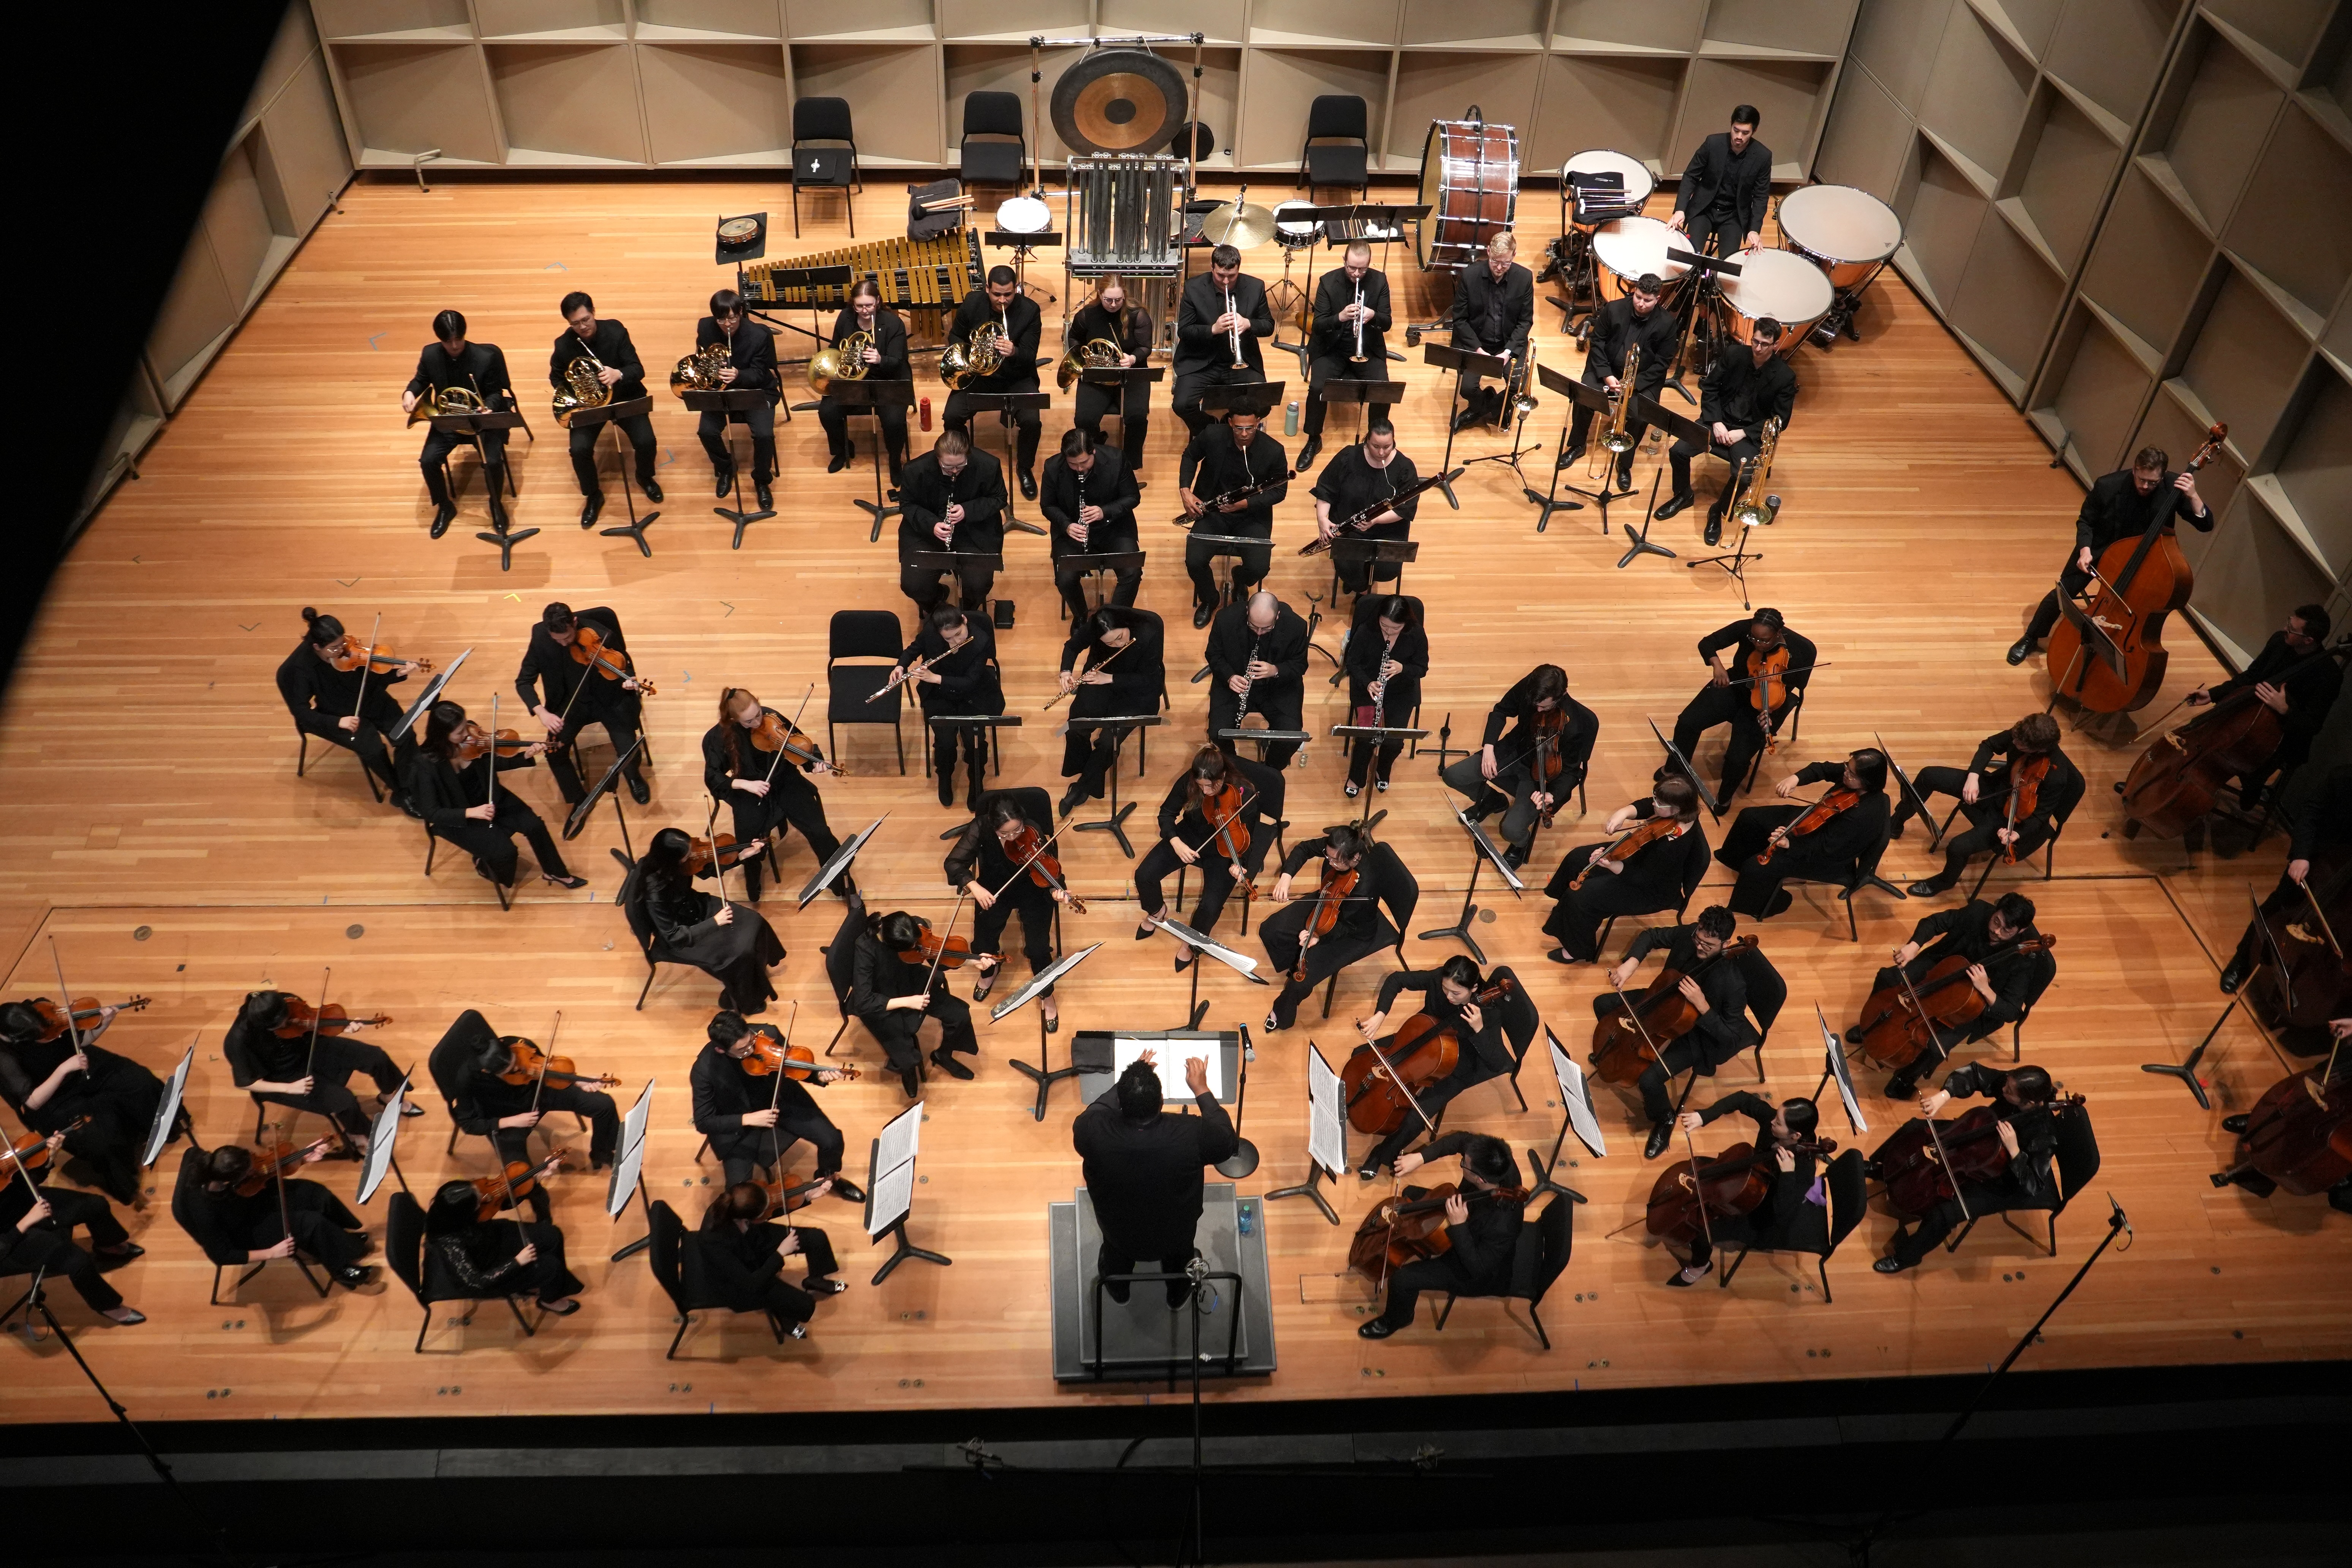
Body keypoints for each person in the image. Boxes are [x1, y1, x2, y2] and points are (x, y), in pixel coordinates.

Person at [2007, 445, 2214, 665]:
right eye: (2142, 479)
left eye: (2152, 482)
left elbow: (2206, 525)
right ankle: (2031, 637)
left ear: (2162, 476)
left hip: (2142, 562)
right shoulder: (2108, 485)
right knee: (2063, 592)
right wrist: (2085, 550)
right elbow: (2086, 521)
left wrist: (2194, 497)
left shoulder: (2174, 488)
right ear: (2134, 470)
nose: (2145, 486)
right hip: (2100, 550)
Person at [1073, 1051, 1238, 1306]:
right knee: (1181, 1259)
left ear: (1121, 1104)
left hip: (1119, 1232)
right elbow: (1227, 1142)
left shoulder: (1092, 1130)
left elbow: (1094, 1111)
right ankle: (1177, 1295)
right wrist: (1202, 1088)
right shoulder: (1191, 1133)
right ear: (1161, 1101)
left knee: (1115, 1258)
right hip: (1177, 1233)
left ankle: (1119, 1292)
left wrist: (1127, 1085)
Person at [1593, 905, 1756, 1157]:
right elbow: (1651, 936)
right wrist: (1629, 965)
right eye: (1698, 940)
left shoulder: (1732, 983)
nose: (1699, 947)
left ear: (1725, 944)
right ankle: (1619, 1049)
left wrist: (1703, 1006)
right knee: (1603, 1004)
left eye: (1708, 945)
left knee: (1649, 1080)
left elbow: (1731, 1037)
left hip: (1698, 1033)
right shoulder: (1692, 935)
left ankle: (1665, 1118)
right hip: (1662, 1000)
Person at [1850, 893, 2050, 1099]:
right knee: (1888, 977)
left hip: (1974, 1005)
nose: (1996, 931)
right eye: (1996, 921)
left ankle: (1904, 1079)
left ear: (2021, 931)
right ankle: (1873, 1023)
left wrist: (1985, 989)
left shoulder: (2023, 961)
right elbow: (1935, 922)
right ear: (1995, 910)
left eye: (2006, 931)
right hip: (1940, 969)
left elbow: (2011, 1012)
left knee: (1937, 1046)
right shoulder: (1978, 911)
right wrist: (1914, 945)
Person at [1872, 1064, 2063, 1272]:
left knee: (1944, 1214)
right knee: (1915, 1129)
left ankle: (1906, 1258)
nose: (2004, 1090)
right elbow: (1975, 1073)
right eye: (2007, 1084)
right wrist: (1944, 1096)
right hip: (1976, 1137)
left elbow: (2033, 1186)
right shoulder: (2013, 1085)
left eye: (2009, 1091)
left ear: (2030, 1102)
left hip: (2001, 1178)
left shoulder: (2044, 1135)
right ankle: (1878, 1166)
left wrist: (2015, 1151)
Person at [1353, 957, 1522, 1179]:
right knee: (1361, 1053)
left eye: (1456, 994)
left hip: (1457, 1063)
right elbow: (1396, 979)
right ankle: (1358, 1096)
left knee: (1415, 1118)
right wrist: (1380, 1015)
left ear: (1474, 988)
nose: (1448, 997)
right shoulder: (1441, 978)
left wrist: (1479, 1030)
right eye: (1445, 990)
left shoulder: (1489, 1013)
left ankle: (1380, 1154)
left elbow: (1498, 1063)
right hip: (1422, 1035)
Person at [437, 1010, 622, 1208]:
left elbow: (544, 1070)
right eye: (511, 1072)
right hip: (505, 1117)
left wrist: (578, 1082)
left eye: (517, 1064)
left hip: (540, 1094)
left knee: (604, 1105)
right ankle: (542, 1215)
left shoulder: (521, 1047)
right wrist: (512, 1122)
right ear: (488, 1072)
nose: (520, 1070)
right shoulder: (467, 1080)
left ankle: (601, 1152)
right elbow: (467, 1123)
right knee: (522, 1179)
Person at [403, 701, 589, 892]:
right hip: (459, 816)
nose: (467, 734)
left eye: (466, 726)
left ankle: (556, 872)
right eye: (459, 733)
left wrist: (525, 757)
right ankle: (484, 866)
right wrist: (471, 812)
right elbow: (432, 813)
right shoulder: (424, 766)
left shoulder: (474, 737)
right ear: (442, 735)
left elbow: (494, 764)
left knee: (535, 826)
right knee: (507, 853)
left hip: (490, 797)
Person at [1356, 1131, 1526, 1338]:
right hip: (1464, 1217)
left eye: (1464, 1163)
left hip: (1475, 1265)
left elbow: (1479, 1269)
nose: (1462, 1160)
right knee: (1412, 1194)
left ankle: (1398, 1319)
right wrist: (1420, 1158)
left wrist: (1459, 1226)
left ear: (1479, 1178)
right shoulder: (1494, 1159)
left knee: (1403, 1279)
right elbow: (1459, 1139)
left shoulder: (1504, 1224)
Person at [1894, 714, 2082, 897]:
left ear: (2038, 750)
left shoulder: (2056, 776)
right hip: (1995, 788)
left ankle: (1946, 882)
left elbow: (2041, 817)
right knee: (1929, 776)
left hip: (2012, 817)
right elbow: (1989, 745)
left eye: (2019, 744)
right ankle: (1895, 824)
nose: (2013, 743)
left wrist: (2017, 834)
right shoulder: (2023, 734)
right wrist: (1974, 776)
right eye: (2014, 739)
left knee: (1957, 847)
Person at [0, 1001, 167, 1208]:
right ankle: (125, 1181)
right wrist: (63, 1070)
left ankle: (155, 1128)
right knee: (100, 1139)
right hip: (52, 1099)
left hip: (78, 1067)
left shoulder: (43, 1013)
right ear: (17, 1038)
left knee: (139, 1081)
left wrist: (105, 1023)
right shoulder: (4, 1057)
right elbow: (32, 1103)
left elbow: (82, 1041)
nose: (44, 1036)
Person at [2181, 605, 2340, 814]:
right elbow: (2250, 678)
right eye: (2288, 622)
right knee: (2202, 730)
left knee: (2250, 760)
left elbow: (2312, 725)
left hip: (2283, 735)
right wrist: (2213, 695)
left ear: (2309, 640)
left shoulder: (2329, 675)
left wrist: (2285, 709)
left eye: (2291, 629)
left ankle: (2252, 785)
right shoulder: (2279, 641)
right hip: (2249, 711)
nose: (2285, 629)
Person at [1134, 746, 1285, 965]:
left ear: (1223, 775)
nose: (1205, 791)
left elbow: (1247, 836)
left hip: (1225, 849)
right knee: (1144, 875)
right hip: (1190, 836)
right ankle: (1157, 912)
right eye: (1201, 786)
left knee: (1211, 905)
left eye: (1210, 786)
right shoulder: (1190, 782)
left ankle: (1191, 941)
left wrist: (1240, 864)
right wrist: (1176, 842)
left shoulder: (1245, 793)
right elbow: (1167, 814)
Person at [690, 1010, 863, 1201]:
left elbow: (790, 1065)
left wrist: (817, 1075)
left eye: (751, 1042)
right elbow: (704, 1121)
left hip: (783, 1101)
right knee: (739, 1197)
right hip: (742, 1127)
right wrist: (748, 1119)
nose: (751, 1051)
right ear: (721, 1050)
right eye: (742, 1051)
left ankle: (829, 1178)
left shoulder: (767, 1035)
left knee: (832, 1140)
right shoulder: (704, 1071)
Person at [1439, 664, 1598, 870]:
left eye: (1545, 707)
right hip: (1512, 752)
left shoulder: (1581, 723)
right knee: (1453, 775)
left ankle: (1521, 845)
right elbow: (1501, 710)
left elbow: (1571, 771)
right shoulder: (1531, 688)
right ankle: (1493, 801)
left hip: (1542, 778)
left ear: (1561, 695)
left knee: (1510, 831)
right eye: (1535, 705)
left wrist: (1552, 796)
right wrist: (1489, 748)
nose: (1538, 710)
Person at [225, 989, 416, 1157]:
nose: (289, 1021)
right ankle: (358, 1135)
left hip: (307, 1049)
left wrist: (343, 1027)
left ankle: (389, 1096)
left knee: (375, 1056)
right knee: (345, 1101)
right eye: (282, 1023)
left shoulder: (285, 1002)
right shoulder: (238, 1040)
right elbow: (245, 1082)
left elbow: (309, 1025)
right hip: (283, 1078)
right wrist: (290, 1088)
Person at [1542, 775, 1710, 964]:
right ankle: (1565, 912)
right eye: (1655, 797)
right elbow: (1649, 805)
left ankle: (1577, 949)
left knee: (1582, 897)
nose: (1654, 804)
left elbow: (1641, 878)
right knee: (1577, 858)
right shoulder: (1677, 810)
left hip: (1651, 889)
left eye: (1659, 802)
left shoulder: (1673, 847)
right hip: (1641, 860)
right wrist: (1622, 813)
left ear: (1678, 809)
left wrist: (1609, 864)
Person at [1662, 1092, 1824, 1288]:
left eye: (1778, 1122)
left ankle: (1700, 1266)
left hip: (1759, 1215)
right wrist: (1704, 1116)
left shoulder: (1804, 1169)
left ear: (1795, 1136)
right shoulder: (1775, 1125)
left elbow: (1784, 1214)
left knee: (1698, 1226)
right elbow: (1743, 1099)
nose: (1772, 1122)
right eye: (1775, 1117)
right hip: (1748, 1179)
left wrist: (1788, 1175)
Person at [703, 686, 847, 904]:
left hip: (784, 779)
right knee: (748, 843)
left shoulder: (772, 718)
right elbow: (713, 777)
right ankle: (753, 880)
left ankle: (841, 881)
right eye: (749, 721)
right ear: (734, 719)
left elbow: (798, 743)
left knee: (820, 832)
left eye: (758, 714)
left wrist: (815, 761)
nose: (758, 723)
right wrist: (743, 784)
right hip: (750, 789)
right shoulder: (718, 736)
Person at [1658, 317, 1796, 544]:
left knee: (1743, 476)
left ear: (1775, 345)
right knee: (1678, 451)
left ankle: (1719, 511)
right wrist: (1716, 421)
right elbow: (1710, 387)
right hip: (1719, 422)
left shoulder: (1785, 377)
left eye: (1764, 344)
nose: (1758, 348)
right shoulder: (1734, 354)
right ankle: (1683, 495)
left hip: (1747, 434)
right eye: (1755, 341)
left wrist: (1743, 433)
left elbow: (1780, 420)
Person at [623, 827, 787, 1015]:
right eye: (688, 854)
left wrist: (743, 855)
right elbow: (674, 937)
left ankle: (755, 970)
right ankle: (738, 998)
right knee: (738, 954)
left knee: (754, 921)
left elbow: (708, 866)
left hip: (696, 906)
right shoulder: (655, 891)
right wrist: (715, 922)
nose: (695, 855)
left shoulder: (680, 863)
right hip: (685, 933)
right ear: (672, 858)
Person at [947, 794, 1073, 1032]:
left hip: (1033, 889)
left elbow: (1050, 865)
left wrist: (1060, 889)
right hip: (993, 889)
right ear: (993, 826)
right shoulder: (981, 827)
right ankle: (991, 969)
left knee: (1038, 948)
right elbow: (954, 863)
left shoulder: (1033, 831)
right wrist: (974, 886)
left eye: (1017, 830)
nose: (1013, 838)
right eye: (1004, 834)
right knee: (983, 941)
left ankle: (1046, 994)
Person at [2221, 763, 2349, 996]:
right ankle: (2241, 959)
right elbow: (2311, 810)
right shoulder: (2343, 776)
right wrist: (2301, 855)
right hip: (2317, 863)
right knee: (2279, 903)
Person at [1717, 748, 1892, 920]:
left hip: (1827, 855)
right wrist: (1795, 779)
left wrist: (1790, 844)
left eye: (1851, 773)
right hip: (1817, 821)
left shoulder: (1863, 817)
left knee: (1755, 865)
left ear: (1868, 782)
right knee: (1749, 817)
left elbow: (1826, 849)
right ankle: (1735, 861)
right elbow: (1821, 769)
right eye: (1847, 766)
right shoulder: (1852, 777)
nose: (1845, 772)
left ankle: (1761, 905)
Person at [1667, 608, 1818, 805]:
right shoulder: (1746, 629)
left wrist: (1770, 709)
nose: (1757, 643)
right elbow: (1708, 643)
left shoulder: (1803, 649)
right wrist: (1718, 667)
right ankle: (1675, 769)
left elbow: (1796, 684)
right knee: (1688, 722)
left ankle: (1724, 798)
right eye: (1754, 638)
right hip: (1736, 685)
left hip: (1770, 700)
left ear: (1779, 632)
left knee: (1737, 759)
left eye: (1764, 640)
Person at [277, 606, 420, 814]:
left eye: (342, 642)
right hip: (336, 714)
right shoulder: (296, 670)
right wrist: (338, 722)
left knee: (405, 733)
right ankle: (401, 792)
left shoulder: (346, 650)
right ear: (317, 646)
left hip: (369, 699)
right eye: (335, 648)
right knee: (374, 748)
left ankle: (412, 778)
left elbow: (368, 677)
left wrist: (397, 674)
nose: (343, 650)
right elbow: (301, 713)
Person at [176, 1142, 374, 1290]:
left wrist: (303, 1157)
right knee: (311, 1224)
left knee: (314, 1193)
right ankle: (341, 1270)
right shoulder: (205, 1211)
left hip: (250, 1198)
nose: (256, 1172)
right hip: (245, 1231)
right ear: (231, 1182)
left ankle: (343, 1241)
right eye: (250, 1172)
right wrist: (272, 1253)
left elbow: (263, 1173)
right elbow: (221, 1255)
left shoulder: (214, 1164)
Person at [515, 601, 650, 806]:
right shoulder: (541, 637)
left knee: (628, 749)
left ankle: (634, 777)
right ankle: (578, 801)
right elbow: (524, 682)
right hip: (569, 705)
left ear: (575, 622)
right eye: (557, 640)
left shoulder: (601, 633)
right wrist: (542, 713)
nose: (564, 643)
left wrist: (629, 679)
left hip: (609, 700)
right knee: (554, 752)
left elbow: (625, 662)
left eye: (568, 637)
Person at [1260, 825, 1391, 1032]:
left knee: (1300, 982)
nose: (1330, 862)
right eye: (1328, 858)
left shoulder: (1367, 886)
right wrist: (1287, 876)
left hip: (1353, 931)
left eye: (1335, 861)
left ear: (1355, 858)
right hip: (1330, 896)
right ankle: (1296, 960)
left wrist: (1319, 938)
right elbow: (1303, 848)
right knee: (1270, 929)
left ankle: (1282, 1014)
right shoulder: (1337, 847)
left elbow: (1348, 925)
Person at [550, 290, 662, 527]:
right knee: (579, 450)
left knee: (646, 442)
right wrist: (577, 393)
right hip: (590, 407)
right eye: (575, 324)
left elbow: (637, 369)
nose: (582, 327)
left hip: (624, 397)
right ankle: (593, 494)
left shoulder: (615, 331)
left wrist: (618, 374)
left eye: (586, 320)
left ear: (593, 312)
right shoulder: (563, 345)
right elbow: (557, 379)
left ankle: (645, 476)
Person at [0, 1145, 147, 1323]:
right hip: (8, 1242)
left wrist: (48, 1161)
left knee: (95, 1205)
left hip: (17, 1206)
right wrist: (27, 1222)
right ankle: (108, 1306)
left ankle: (107, 1246)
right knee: (77, 1260)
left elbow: (22, 1185)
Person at [1559, 272, 1677, 492]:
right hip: (1608, 370)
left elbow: (1662, 364)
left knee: (1641, 415)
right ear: (1635, 292)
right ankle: (1577, 445)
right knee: (1585, 397)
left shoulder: (1667, 324)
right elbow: (1597, 342)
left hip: (1641, 379)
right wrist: (1606, 375)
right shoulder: (1613, 309)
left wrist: (1633, 384)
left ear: (1657, 299)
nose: (1641, 304)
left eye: (1648, 300)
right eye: (1639, 297)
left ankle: (1625, 463)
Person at [401, 308, 514, 537]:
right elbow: (421, 379)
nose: (454, 346)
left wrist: (489, 407)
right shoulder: (430, 355)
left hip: (480, 420)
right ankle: (445, 507)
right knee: (428, 461)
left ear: (465, 334)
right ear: (440, 339)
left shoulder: (485, 357)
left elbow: (495, 391)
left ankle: (496, 503)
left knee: (493, 461)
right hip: (449, 420)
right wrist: (409, 392)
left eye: (458, 340)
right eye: (448, 341)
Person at [686, 1180, 844, 1340]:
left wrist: (806, 1196)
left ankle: (815, 1279)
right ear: (748, 1218)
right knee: (805, 1305)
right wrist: (780, 1253)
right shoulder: (714, 1241)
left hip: (752, 1241)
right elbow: (750, 1284)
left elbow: (770, 1210)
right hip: (738, 1281)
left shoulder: (735, 1205)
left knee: (816, 1238)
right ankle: (785, 1317)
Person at [1179, 407, 1291, 629]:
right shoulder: (1213, 435)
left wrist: (1245, 503)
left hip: (1252, 516)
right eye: (1239, 428)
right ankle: (1210, 599)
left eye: (1250, 428)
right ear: (1230, 423)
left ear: (1258, 421)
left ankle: (1240, 580)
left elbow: (1280, 492)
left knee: (1260, 567)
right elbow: (1190, 456)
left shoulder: (1274, 450)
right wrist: (1185, 491)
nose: (1244, 434)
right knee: (1194, 561)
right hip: (1213, 512)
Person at [886, 603, 1005, 811]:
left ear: (964, 621)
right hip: (939, 695)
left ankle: (976, 778)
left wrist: (935, 678)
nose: (955, 642)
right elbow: (913, 650)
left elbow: (970, 682)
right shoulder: (931, 633)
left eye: (959, 635)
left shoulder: (981, 641)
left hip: (973, 694)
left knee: (974, 741)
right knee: (945, 741)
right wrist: (900, 665)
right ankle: (945, 774)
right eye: (948, 639)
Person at [849, 909, 982, 1091]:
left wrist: (971, 961)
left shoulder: (914, 926)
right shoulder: (866, 947)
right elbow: (864, 1002)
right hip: (884, 998)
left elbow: (938, 954)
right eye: (910, 948)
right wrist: (908, 1002)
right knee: (902, 1046)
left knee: (960, 1015)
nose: (917, 948)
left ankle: (943, 1055)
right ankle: (908, 1070)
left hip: (913, 981)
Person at [943, 265, 1044, 498]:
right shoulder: (972, 303)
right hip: (978, 376)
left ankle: (1025, 467)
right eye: (997, 294)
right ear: (987, 288)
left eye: (1008, 294)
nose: (1002, 300)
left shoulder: (1030, 310)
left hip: (1016, 377)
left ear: (1016, 289)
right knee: (951, 417)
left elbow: (1030, 356)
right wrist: (968, 354)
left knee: (1032, 422)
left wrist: (1015, 351)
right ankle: (964, 463)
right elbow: (955, 335)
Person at [1055, 605, 1165, 817]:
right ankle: (1088, 773)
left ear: (1127, 625)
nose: (1118, 645)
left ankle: (1082, 787)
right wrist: (1065, 672)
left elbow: (1151, 680)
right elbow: (1072, 646)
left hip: (1137, 690)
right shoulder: (1097, 625)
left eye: (1121, 637)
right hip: (1100, 681)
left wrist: (1110, 678)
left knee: (1107, 742)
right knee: (1077, 726)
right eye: (1110, 643)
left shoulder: (1150, 628)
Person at [422, 1178, 583, 1316]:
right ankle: (550, 1299)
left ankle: (549, 1287)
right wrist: (518, 1261)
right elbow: (478, 1281)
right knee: (551, 1267)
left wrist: (536, 1177)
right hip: (490, 1271)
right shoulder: (450, 1245)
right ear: (465, 1213)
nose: (483, 1197)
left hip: (490, 1239)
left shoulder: (447, 1210)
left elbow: (501, 1199)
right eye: (478, 1201)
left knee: (552, 1234)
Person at [1298, 240, 1391, 470]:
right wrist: (1340, 317)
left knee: (1383, 389)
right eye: (1352, 268)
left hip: (1366, 349)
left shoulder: (1379, 281)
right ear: (1344, 261)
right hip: (1332, 350)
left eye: (1363, 269)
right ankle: (1313, 439)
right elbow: (1319, 325)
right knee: (1318, 388)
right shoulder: (1328, 282)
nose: (1357, 274)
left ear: (1369, 264)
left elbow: (1387, 323)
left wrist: (1373, 315)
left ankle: (1374, 440)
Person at [897, 428, 1008, 615]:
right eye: (948, 467)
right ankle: (937, 606)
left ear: (968, 455)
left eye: (961, 465)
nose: (955, 471)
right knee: (913, 585)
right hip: (927, 534)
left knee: (979, 584)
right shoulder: (915, 470)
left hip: (974, 533)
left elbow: (999, 498)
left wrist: (967, 510)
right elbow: (907, 504)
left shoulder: (989, 465)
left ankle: (967, 613)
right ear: (937, 458)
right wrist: (932, 524)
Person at [689, 287, 781, 510]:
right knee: (707, 432)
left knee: (764, 434)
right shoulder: (706, 327)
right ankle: (726, 468)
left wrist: (739, 375)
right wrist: (710, 372)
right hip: (720, 391)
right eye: (721, 320)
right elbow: (702, 358)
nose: (727, 324)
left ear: (740, 312)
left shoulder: (759, 335)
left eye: (732, 318)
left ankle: (761, 479)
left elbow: (762, 373)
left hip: (755, 390)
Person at [1042, 426, 1143, 624]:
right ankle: (1081, 617)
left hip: (1114, 527)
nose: (1080, 468)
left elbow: (1133, 497)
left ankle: (1115, 616)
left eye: (1084, 462)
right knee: (1065, 579)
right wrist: (1066, 525)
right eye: (1073, 464)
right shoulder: (1052, 467)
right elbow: (1047, 506)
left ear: (1094, 451)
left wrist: (1104, 511)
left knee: (1133, 572)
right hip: (1073, 531)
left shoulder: (1116, 460)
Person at [1311, 419, 1421, 597]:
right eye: (1375, 446)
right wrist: (1322, 519)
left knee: (1388, 570)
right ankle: (1361, 590)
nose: (1381, 452)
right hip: (1350, 527)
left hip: (1388, 530)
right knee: (1346, 566)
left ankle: (1361, 582)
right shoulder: (1348, 457)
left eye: (1387, 446)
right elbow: (1326, 488)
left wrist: (1376, 520)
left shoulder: (1405, 468)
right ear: (1367, 439)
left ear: (1394, 441)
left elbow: (1406, 508)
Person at [1171, 243, 1271, 439]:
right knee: (1182, 405)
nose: (1226, 281)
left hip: (1241, 363)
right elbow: (1184, 331)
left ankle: (1230, 423)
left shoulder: (1255, 287)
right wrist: (1213, 329)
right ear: (1212, 268)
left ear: (1238, 270)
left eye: (1232, 276)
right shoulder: (1193, 288)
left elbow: (1268, 326)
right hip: (1201, 362)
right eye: (1220, 275)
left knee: (1264, 404)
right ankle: (1208, 426)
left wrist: (1249, 324)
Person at [816, 277, 911, 480]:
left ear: (877, 301)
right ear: (853, 303)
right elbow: (835, 348)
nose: (865, 311)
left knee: (894, 421)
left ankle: (895, 460)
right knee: (827, 412)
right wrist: (839, 360)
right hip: (854, 383)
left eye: (869, 305)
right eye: (859, 306)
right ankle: (843, 450)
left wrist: (880, 359)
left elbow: (899, 362)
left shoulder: (893, 323)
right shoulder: (846, 318)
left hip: (887, 381)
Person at [1205, 590, 1311, 770]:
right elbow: (1214, 655)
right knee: (1217, 733)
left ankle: (1270, 769)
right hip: (1237, 684)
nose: (1260, 633)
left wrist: (1275, 670)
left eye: (1267, 628)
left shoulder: (1297, 626)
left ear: (1277, 616)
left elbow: (1300, 665)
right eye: (1253, 627)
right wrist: (1230, 677)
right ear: (1247, 612)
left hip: (1277, 687)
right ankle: (1232, 767)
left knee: (1291, 736)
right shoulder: (1225, 619)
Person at [1066, 274, 1156, 469]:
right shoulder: (1087, 314)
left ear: (1125, 295)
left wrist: (1133, 359)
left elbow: (1145, 347)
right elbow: (1074, 338)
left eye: (1118, 300)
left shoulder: (1137, 314)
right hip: (1098, 375)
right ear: (1100, 294)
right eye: (1108, 300)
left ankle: (1130, 466)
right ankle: (1095, 457)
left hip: (1131, 374)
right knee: (1084, 419)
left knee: (1137, 417)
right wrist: (1084, 358)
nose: (1114, 305)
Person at [1343, 594, 1427, 797]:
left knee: (1394, 741)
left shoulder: (1416, 634)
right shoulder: (1366, 630)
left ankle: (1383, 769)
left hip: (1401, 691)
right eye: (1384, 626)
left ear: (1405, 623)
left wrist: (1402, 668)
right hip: (1369, 689)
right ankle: (1357, 776)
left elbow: (1422, 668)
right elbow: (1352, 663)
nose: (1389, 632)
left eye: (1395, 628)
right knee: (1366, 737)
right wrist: (1368, 683)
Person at [1449, 232, 1534, 430]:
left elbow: (1525, 322)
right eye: (1495, 261)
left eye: (1505, 263)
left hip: (1508, 346)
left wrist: (1507, 353)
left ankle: (1490, 409)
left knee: (1518, 386)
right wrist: (1478, 351)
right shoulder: (1470, 275)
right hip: (1477, 343)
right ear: (1488, 252)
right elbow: (1460, 320)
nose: (1498, 268)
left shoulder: (1524, 278)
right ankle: (1492, 407)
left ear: (1514, 255)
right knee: (1467, 388)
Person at [1669, 104, 1771, 261]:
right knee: (1690, 255)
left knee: (1728, 263)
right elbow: (1691, 176)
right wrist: (1680, 210)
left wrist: (1754, 230)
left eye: (1746, 133)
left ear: (1754, 131)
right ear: (1731, 125)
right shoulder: (1713, 143)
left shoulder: (1763, 156)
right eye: (1736, 130)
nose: (1739, 137)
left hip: (1734, 215)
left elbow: (1761, 196)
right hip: (1704, 209)